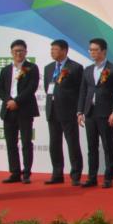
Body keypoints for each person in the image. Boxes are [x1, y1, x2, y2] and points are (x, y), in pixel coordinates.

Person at [76, 37, 113, 188]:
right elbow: (83, 92)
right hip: (90, 113)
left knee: (107, 146)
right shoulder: (88, 70)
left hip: (106, 113)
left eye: (95, 50)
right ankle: (92, 177)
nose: (92, 52)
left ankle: (108, 178)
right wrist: (80, 111)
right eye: (90, 50)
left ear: (103, 51)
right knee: (92, 147)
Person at [0, 39, 40, 184]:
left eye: (21, 51)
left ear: (26, 52)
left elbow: (32, 87)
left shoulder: (32, 68)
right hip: (8, 110)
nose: (18, 53)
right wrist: (9, 100)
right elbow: (0, 88)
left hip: (25, 110)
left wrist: (17, 101)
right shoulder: (5, 70)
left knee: (26, 142)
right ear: (11, 52)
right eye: (16, 51)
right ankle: (14, 172)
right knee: (11, 143)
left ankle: (26, 173)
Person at [42, 39, 83, 185]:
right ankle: (57, 174)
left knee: (72, 143)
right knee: (54, 144)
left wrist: (79, 110)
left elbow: (80, 91)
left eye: (55, 49)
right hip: (52, 110)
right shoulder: (48, 68)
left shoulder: (76, 67)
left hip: (68, 111)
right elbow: (47, 88)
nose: (52, 52)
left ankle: (76, 175)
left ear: (64, 51)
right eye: (51, 49)